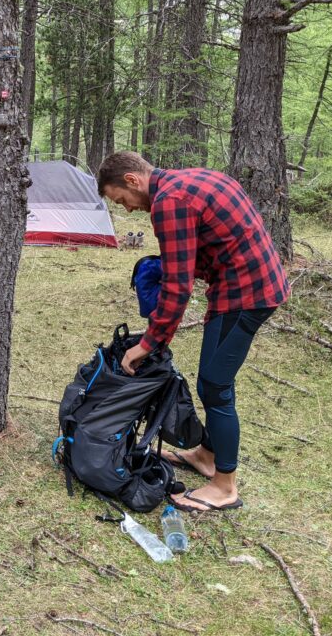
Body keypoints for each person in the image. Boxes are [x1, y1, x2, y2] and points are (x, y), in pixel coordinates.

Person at [96, 151, 289, 513]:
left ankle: (225, 485)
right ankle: (206, 455)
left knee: (216, 385)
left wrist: (150, 342)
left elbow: (177, 286)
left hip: (247, 292)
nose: (128, 210)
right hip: (241, 284)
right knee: (210, 382)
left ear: (132, 180)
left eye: (122, 200)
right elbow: (213, 244)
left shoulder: (169, 203)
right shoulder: (192, 179)